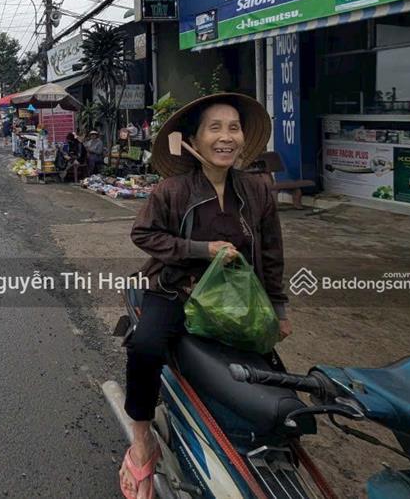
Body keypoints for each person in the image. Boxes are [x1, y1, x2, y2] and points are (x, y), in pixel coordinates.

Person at [119, 93, 291, 499]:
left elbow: (270, 252)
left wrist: (278, 308)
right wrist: (202, 249)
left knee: (270, 375)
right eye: (215, 128)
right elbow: (143, 235)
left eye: (233, 127)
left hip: (235, 298)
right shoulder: (171, 190)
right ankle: (142, 438)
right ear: (194, 139)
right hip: (175, 290)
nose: (226, 137)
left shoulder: (258, 189)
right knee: (144, 348)